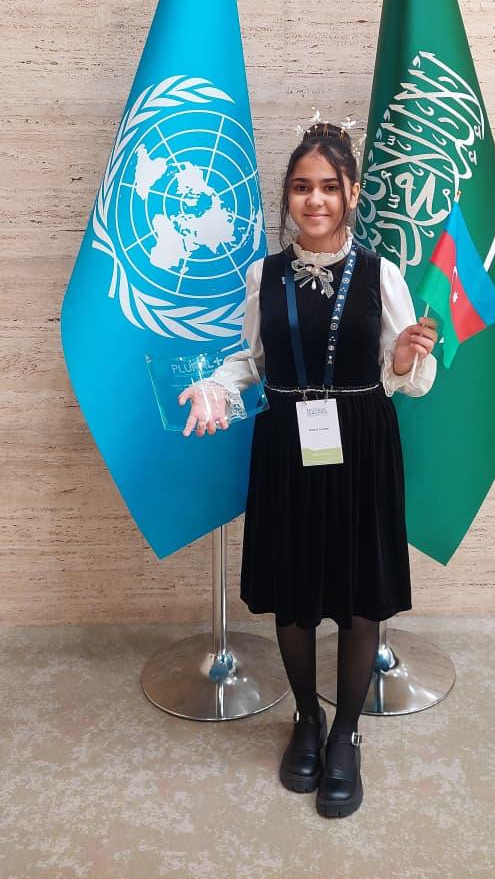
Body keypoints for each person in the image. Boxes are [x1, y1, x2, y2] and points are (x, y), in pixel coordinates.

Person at [178, 121, 438, 818]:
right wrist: (216, 387)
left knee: (358, 595)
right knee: (293, 590)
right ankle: (306, 717)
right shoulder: (262, 275)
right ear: (287, 196)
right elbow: (250, 360)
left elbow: (406, 378)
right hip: (286, 443)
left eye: (328, 186)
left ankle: (346, 733)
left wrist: (404, 359)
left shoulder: (382, 274)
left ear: (351, 193)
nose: (314, 199)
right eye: (301, 187)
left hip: (361, 443)